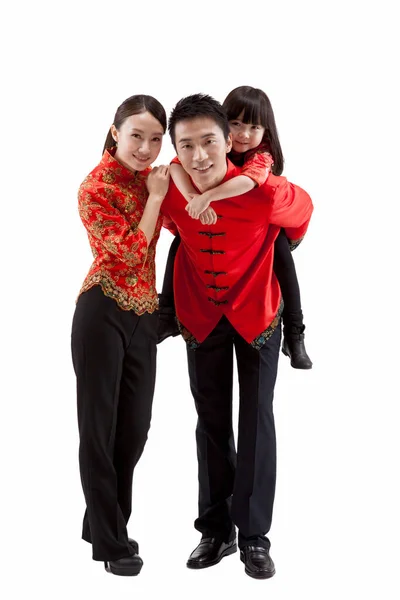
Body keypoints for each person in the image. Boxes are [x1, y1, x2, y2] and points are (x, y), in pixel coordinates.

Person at [160, 94, 313, 579]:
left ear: (230, 142)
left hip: (257, 316)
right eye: (187, 146)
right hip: (200, 315)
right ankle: (215, 530)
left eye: (210, 141)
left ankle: (254, 536)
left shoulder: (265, 189)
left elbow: (304, 213)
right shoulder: (171, 189)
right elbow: (158, 220)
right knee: (209, 421)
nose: (200, 155)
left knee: (256, 423)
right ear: (176, 151)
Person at [71, 94, 170, 576]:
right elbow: (130, 253)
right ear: (115, 132)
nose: (147, 148)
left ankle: (100, 520)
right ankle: (111, 542)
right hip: (102, 310)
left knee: (134, 429)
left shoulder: (152, 180)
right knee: (98, 429)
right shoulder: (95, 187)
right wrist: (155, 197)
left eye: (156, 139)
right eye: (137, 135)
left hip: (143, 317)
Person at [159, 86, 312, 369]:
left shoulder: (261, 160)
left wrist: (209, 197)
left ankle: (295, 328)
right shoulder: (193, 154)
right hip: (203, 311)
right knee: (181, 241)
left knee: (276, 244)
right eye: (237, 124)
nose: (244, 135)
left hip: (257, 300)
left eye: (254, 127)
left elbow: (292, 203)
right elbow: (177, 166)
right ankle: (166, 312)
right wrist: (191, 197)